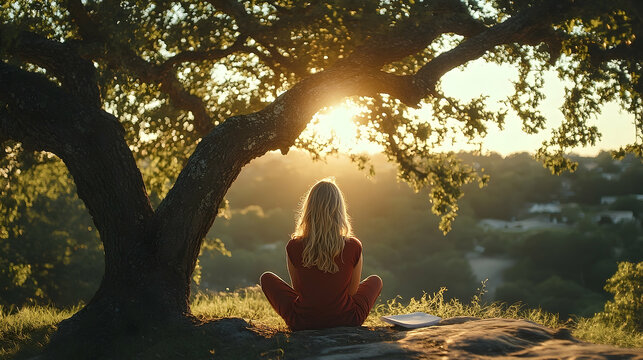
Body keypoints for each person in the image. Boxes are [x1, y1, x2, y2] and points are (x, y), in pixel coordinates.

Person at [260, 178, 383, 331]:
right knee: (375, 281)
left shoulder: (294, 246)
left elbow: (299, 290)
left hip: (302, 322)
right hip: (347, 320)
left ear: (309, 209)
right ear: (339, 210)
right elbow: (352, 292)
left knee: (267, 278)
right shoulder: (353, 246)